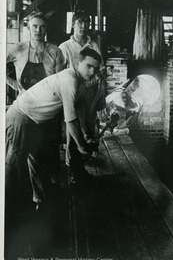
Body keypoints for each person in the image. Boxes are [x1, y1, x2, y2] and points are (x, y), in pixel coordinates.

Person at [5, 47, 103, 213]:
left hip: (35, 122)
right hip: (20, 117)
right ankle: (7, 209)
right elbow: (70, 120)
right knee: (14, 165)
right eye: (88, 66)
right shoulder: (69, 80)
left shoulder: (80, 83)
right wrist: (81, 146)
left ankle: (41, 202)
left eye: (96, 68)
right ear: (78, 63)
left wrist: (86, 135)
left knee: (38, 161)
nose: (92, 71)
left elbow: (80, 113)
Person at [6, 11, 65, 183]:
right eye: (34, 26)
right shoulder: (19, 49)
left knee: (49, 151)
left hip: (48, 110)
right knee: (19, 152)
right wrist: (13, 84)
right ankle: (22, 192)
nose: (38, 30)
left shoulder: (56, 52)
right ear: (29, 28)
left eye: (42, 27)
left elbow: (60, 83)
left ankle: (52, 192)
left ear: (46, 29)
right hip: (24, 110)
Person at [59, 11, 106, 176]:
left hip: (91, 93)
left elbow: (101, 69)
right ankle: (72, 168)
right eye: (80, 22)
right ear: (73, 25)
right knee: (74, 130)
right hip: (73, 92)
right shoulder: (65, 47)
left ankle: (85, 163)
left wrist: (101, 93)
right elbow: (59, 73)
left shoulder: (94, 45)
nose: (84, 27)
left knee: (90, 129)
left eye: (87, 23)